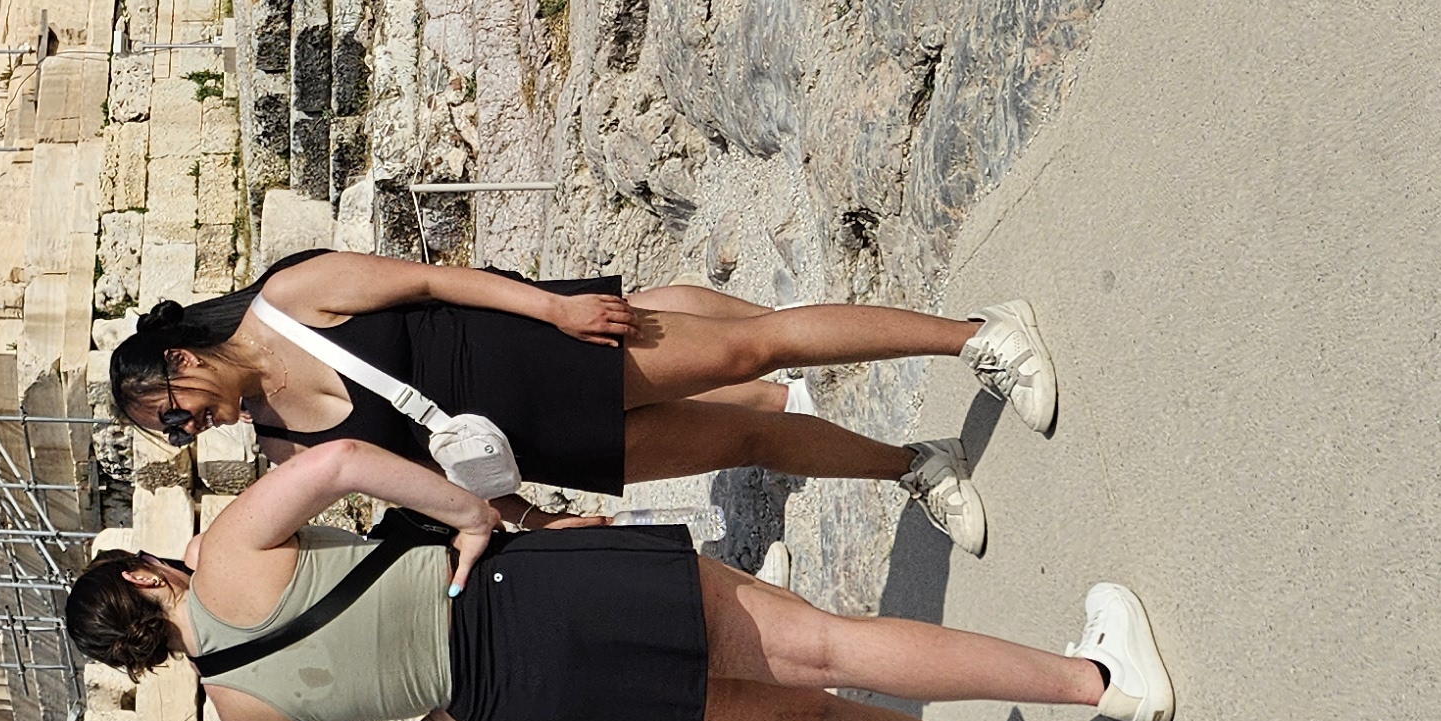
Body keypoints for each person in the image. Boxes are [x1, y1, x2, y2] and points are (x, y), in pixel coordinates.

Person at [62, 432, 1166, 721]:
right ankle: (1092, 677)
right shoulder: (222, 553)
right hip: (514, 593)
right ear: (139, 576)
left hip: (516, 693)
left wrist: (443, 709)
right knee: (820, 648)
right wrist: (466, 515)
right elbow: (341, 463)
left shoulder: (242, 717)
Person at [106, 250, 1058, 554]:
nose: (197, 432)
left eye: (178, 416)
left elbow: (433, 282)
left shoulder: (294, 294)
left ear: (182, 360)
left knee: (751, 346)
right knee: (742, 440)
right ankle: (915, 464)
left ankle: (974, 335)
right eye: (179, 438)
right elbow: (405, 487)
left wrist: (554, 308)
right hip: (534, 446)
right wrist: (521, 516)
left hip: (539, 358)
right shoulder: (277, 445)